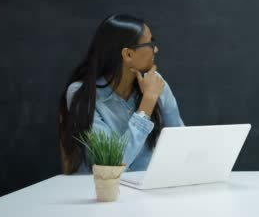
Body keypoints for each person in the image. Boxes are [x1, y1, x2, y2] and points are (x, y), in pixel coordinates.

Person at [58, 14, 184, 174]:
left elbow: (180, 140)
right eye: (150, 43)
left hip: (147, 188)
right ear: (128, 54)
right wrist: (147, 103)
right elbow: (113, 163)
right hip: (101, 191)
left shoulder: (155, 82)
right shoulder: (82, 92)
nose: (156, 49)